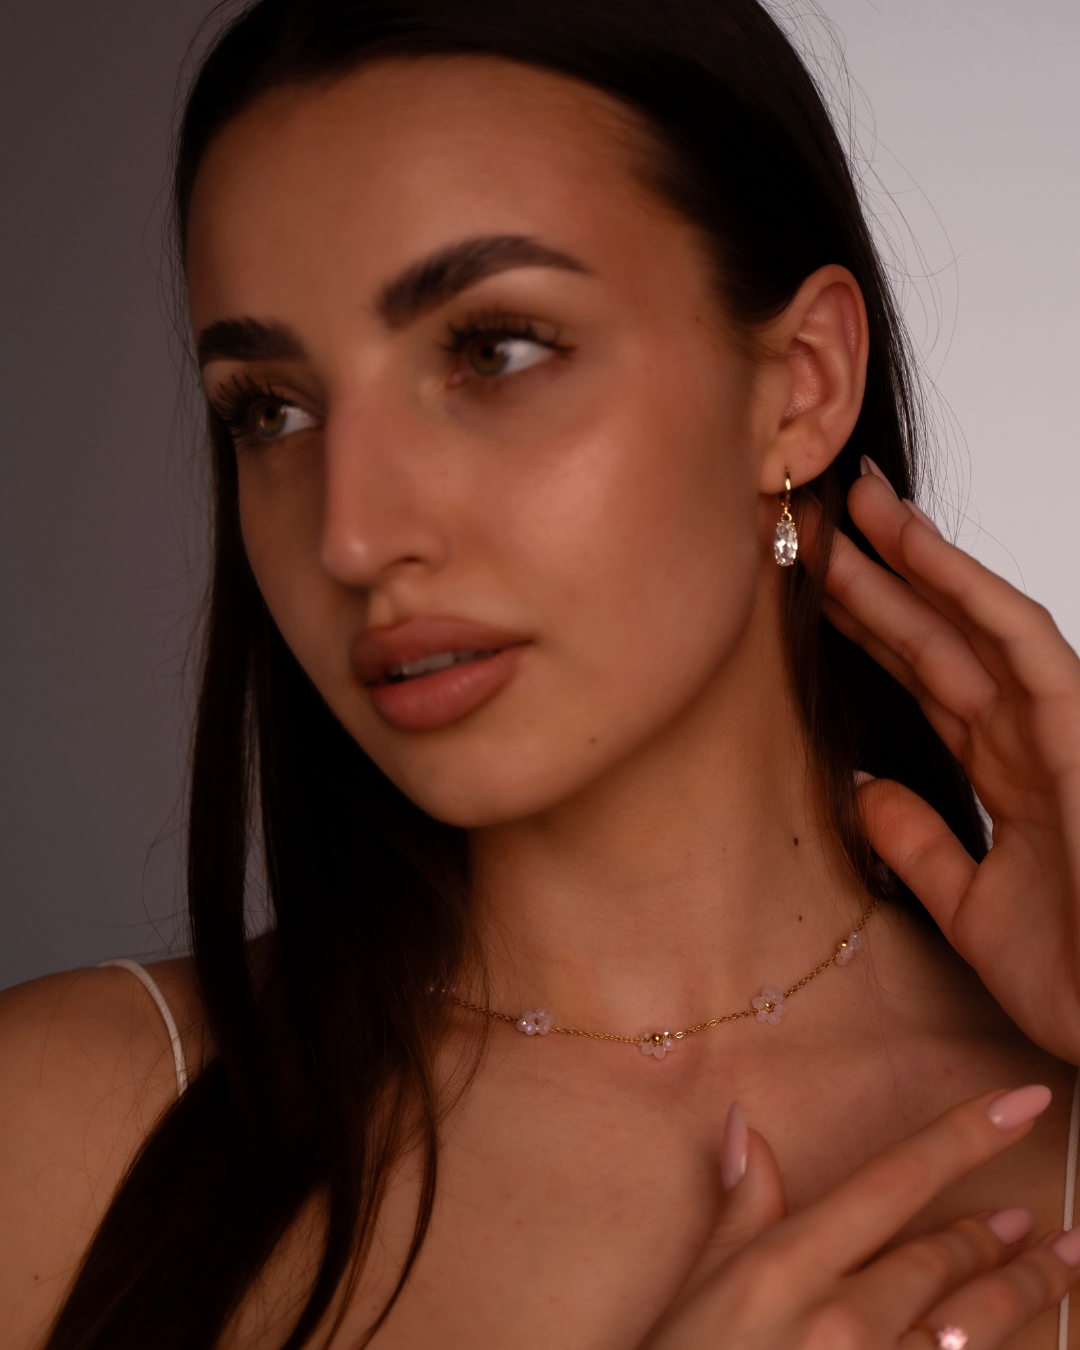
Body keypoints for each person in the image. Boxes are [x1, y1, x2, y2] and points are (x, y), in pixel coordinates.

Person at [2, 0, 1079, 1346]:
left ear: (801, 385)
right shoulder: (59, 1135)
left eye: (493, 350)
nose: (351, 535)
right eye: (270, 408)